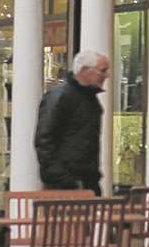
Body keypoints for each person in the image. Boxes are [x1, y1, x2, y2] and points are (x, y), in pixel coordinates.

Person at [34, 50, 108, 194]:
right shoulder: (61, 97)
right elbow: (44, 140)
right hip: (66, 186)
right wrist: (64, 180)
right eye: (103, 70)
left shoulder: (89, 99)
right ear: (86, 70)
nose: (107, 75)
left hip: (85, 182)